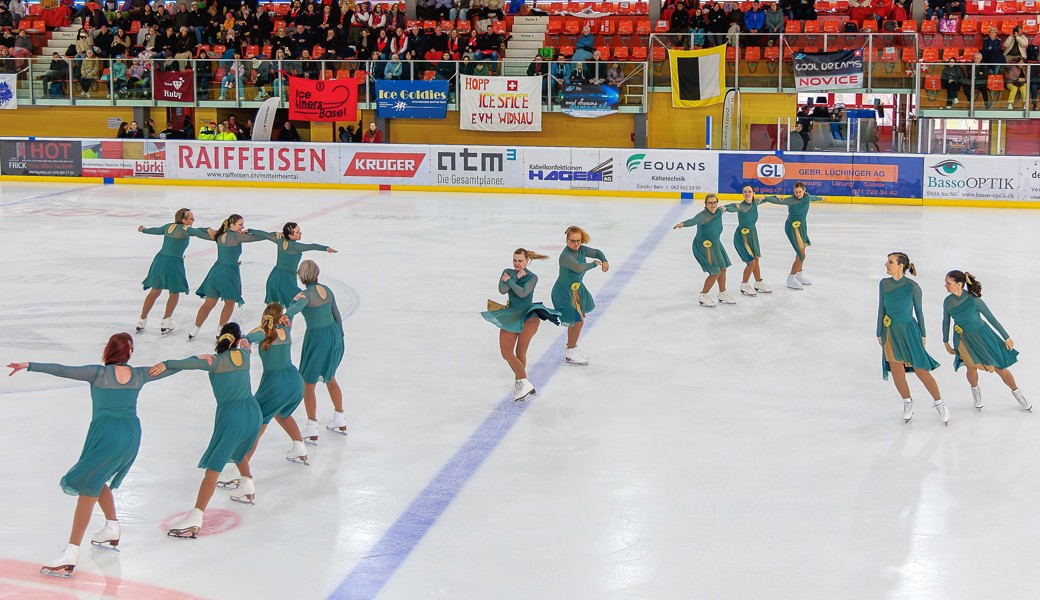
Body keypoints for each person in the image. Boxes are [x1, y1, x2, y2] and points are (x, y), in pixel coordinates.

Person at [7, 333, 179, 576]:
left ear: (109, 350)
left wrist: (28, 365)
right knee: (98, 479)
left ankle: (71, 552)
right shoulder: (141, 374)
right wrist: (177, 362)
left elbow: (62, 370)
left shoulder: (98, 374)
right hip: (130, 435)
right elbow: (175, 369)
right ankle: (112, 526)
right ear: (129, 352)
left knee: (89, 486)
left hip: (106, 435)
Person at [155, 323, 264, 538]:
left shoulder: (214, 362)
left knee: (213, 468)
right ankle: (247, 483)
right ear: (238, 339)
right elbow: (258, 334)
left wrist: (166, 363)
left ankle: (196, 516)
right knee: (238, 451)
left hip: (232, 417)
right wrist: (250, 338)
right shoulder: (244, 353)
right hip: (253, 412)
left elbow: (187, 364)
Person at [481, 248, 563, 402]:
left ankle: (520, 384)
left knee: (520, 352)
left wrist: (511, 280)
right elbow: (502, 290)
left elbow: (522, 293)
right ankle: (525, 384)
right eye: (515, 260)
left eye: (520, 261)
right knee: (506, 352)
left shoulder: (532, 277)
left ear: (527, 261)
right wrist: (515, 277)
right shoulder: (507, 272)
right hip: (511, 314)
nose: (517, 263)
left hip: (529, 316)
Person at [877, 252, 948, 424]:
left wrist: (923, 334)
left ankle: (940, 403)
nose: (886, 264)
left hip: (909, 331)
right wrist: (879, 332)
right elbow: (881, 309)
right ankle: (907, 402)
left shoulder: (913, 287)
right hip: (890, 332)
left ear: (900, 266)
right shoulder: (884, 284)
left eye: (890, 262)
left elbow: (919, 312)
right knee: (896, 371)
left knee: (920, 369)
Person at [942, 270, 1029, 411]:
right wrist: (945, 341)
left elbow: (991, 319)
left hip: (982, 336)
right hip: (963, 339)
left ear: (959, 284)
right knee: (970, 367)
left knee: (999, 367)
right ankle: (975, 391)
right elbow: (946, 321)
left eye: (948, 283)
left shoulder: (974, 300)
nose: (945, 285)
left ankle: (1017, 392)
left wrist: (1006, 337)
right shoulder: (948, 301)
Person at [240, 298, 312, 467]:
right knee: (282, 413)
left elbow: (249, 338)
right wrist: (290, 311)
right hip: (294, 381)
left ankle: (241, 470)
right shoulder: (286, 327)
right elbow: (299, 304)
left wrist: (244, 341)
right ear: (280, 317)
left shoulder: (263, 332)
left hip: (276, 385)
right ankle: (299, 447)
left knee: (257, 424)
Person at [136, 208, 214, 335]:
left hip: (159, 261)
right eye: (191, 218)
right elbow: (199, 233)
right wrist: (217, 236)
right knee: (174, 293)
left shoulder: (169, 226)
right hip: (173, 263)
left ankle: (141, 320)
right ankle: (166, 321)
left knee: (155, 291)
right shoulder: (185, 229)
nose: (193, 220)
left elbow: (156, 230)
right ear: (183, 220)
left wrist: (143, 229)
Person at [188, 214, 266, 341]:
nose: (243, 227)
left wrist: (208, 229)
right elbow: (258, 237)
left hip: (215, 271)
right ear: (232, 225)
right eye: (240, 224)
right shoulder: (236, 236)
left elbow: (197, 231)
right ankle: (221, 329)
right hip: (229, 273)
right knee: (230, 302)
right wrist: (261, 233)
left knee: (208, 303)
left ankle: (195, 329)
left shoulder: (219, 235)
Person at [295, 260, 347, 443]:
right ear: (317, 273)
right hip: (334, 334)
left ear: (301, 276)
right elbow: (336, 314)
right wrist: (340, 337)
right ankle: (340, 418)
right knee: (330, 377)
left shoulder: (305, 296)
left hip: (317, 339)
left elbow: (292, 311)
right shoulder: (327, 290)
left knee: (308, 383)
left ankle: (312, 426)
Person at [550, 226, 608, 365]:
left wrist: (604, 260)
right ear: (567, 240)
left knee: (576, 321)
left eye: (578, 241)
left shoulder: (581, 249)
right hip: (564, 292)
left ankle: (570, 348)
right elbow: (578, 268)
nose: (576, 244)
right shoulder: (566, 256)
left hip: (576, 289)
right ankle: (571, 349)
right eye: (573, 241)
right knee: (578, 321)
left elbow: (597, 252)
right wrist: (594, 264)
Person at [253, 222, 337, 309]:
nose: (300, 233)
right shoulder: (295, 247)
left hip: (274, 277)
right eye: (297, 232)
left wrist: (250, 230)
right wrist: (326, 248)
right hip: (286, 279)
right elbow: (312, 246)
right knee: (296, 304)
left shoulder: (279, 240)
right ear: (290, 235)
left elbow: (264, 234)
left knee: (273, 308)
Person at [673, 193, 734, 308]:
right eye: (710, 203)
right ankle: (703, 295)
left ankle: (722, 293)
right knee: (715, 272)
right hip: (703, 246)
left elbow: (728, 207)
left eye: (714, 202)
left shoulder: (719, 211)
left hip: (716, 244)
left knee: (723, 268)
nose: (713, 205)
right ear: (705, 205)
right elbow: (693, 220)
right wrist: (683, 224)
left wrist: (739, 207)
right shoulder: (703, 216)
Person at [762, 182, 822, 290]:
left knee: (801, 250)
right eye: (796, 192)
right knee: (802, 254)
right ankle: (791, 277)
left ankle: (799, 274)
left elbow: (814, 198)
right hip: (792, 228)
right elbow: (778, 201)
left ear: (804, 190)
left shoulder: (807, 197)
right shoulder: (791, 200)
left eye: (800, 192)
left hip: (802, 226)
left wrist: (821, 198)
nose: (798, 194)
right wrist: (766, 198)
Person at [722, 185, 773, 297]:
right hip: (742, 237)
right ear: (743, 193)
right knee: (751, 262)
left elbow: (767, 199)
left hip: (752, 235)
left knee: (756, 259)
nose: (747, 193)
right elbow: (731, 207)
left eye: (749, 191)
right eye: (745, 191)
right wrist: (724, 208)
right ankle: (744, 284)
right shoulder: (740, 206)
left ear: (753, 193)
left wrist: (771, 197)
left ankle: (758, 282)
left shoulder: (755, 203)